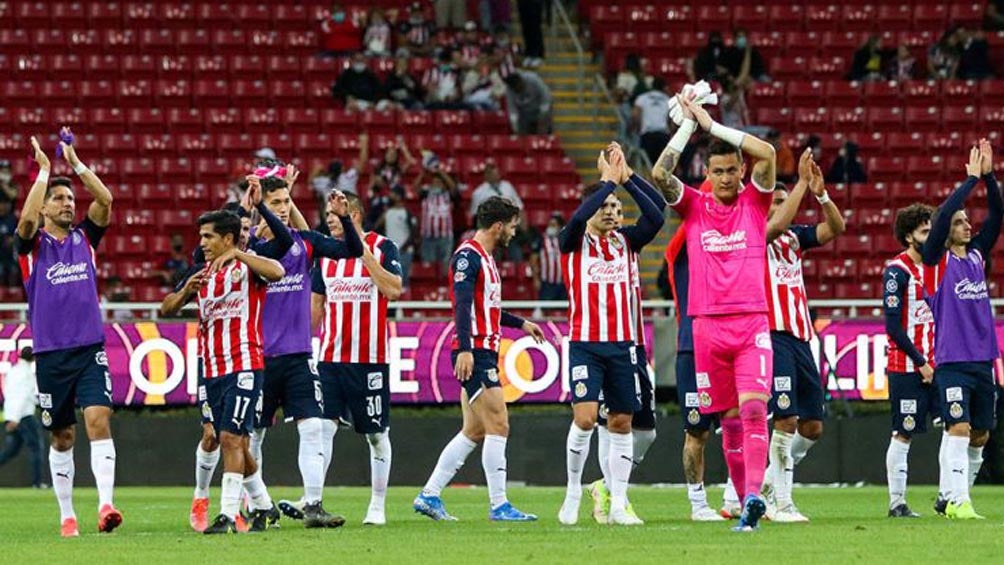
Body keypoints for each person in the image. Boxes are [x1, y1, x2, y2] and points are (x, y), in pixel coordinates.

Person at [650, 92, 778, 532]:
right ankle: (747, 507)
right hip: (705, 330)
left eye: (731, 170)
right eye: (717, 171)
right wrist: (687, 128)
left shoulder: (755, 203)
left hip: (750, 324)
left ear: (741, 171)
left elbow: (769, 153)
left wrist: (712, 125)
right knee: (728, 424)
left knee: (755, 411)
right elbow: (660, 173)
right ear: (707, 173)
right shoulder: (695, 207)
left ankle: (757, 494)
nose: (725, 178)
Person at [160, 177, 290, 535]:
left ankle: (227, 514)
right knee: (229, 439)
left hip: (244, 364)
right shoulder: (200, 274)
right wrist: (186, 289)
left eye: (208, 237)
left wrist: (239, 254)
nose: (201, 243)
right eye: (200, 237)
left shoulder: (247, 266)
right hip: (211, 369)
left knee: (232, 439)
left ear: (227, 239)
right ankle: (264, 507)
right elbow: (167, 308)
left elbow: (278, 271)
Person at [15, 131, 121, 537]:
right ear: (44, 206)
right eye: (59, 199)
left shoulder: (85, 239)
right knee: (63, 435)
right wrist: (44, 171)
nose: (68, 204)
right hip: (51, 354)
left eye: (70, 199)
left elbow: (106, 201)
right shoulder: (31, 248)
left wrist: (75, 164)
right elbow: (24, 221)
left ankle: (106, 504)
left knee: (98, 418)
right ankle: (67, 515)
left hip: (88, 349)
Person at [413, 196, 545, 521]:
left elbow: (488, 308)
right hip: (476, 352)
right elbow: (460, 305)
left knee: (474, 430)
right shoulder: (467, 257)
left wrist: (522, 324)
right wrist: (467, 348)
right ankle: (500, 505)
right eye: (512, 226)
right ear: (499, 225)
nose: (514, 232)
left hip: (481, 349)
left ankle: (429, 495)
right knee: (499, 423)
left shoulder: (485, 258)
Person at [246, 166, 364, 529]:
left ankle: (313, 505)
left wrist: (344, 219)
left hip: (298, 356)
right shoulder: (249, 248)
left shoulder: (306, 242)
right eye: (275, 202)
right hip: (259, 356)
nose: (283, 207)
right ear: (259, 204)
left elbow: (351, 250)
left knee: (313, 427)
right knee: (254, 434)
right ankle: (254, 505)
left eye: (286, 201)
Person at [557, 145, 664, 526]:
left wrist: (629, 178)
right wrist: (606, 182)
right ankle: (572, 492)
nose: (611, 212)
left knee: (621, 422)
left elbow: (657, 215)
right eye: (605, 206)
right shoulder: (572, 242)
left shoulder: (627, 242)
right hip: (586, 344)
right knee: (585, 419)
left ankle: (617, 503)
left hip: (623, 345)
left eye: (615, 207)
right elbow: (580, 215)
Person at [300, 193, 403, 526]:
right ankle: (313, 501)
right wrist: (303, 345)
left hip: (370, 359)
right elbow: (316, 307)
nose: (329, 219)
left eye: (335, 214)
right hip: (330, 358)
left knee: (376, 434)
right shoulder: (326, 256)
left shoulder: (384, 247)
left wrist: (365, 257)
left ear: (354, 214)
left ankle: (377, 504)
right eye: (327, 214)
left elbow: (394, 290)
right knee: (323, 429)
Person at [761, 154, 846, 523]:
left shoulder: (794, 239)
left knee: (811, 427)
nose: (784, 208)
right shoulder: (753, 234)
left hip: (800, 337)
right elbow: (771, 227)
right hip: (771, 334)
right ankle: (782, 503)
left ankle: (767, 481)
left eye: (785, 202)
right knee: (786, 418)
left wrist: (822, 195)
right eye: (776, 202)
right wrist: (797, 185)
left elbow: (835, 229)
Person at [921, 140, 1001, 520]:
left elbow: (998, 215)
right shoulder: (934, 263)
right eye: (959, 221)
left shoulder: (976, 256)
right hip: (951, 359)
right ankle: (958, 502)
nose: (967, 224)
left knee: (981, 434)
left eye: (968, 220)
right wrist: (970, 181)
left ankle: (951, 495)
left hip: (983, 360)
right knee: (959, 425)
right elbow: (943, 216)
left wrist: (990, 178)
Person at [883, 203, 940, 518]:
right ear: (908, 236)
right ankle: (897, 503)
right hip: (907, 367)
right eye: (924, 231)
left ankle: (951, 497)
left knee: (957, 425)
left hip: (939, 364)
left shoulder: (935, 266)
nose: (930, 236)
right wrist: (920, 362)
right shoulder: (897, 271)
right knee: (903, 431)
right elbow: (892, 326)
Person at [0, 347, 45, 488]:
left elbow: (9, 395)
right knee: (36, 448)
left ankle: (37, 483)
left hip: (12, 415)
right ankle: (37, 483)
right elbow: (23, 396)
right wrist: (16, 418)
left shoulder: (12, 371)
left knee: (10, 451)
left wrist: (10, 416)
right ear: (33, 358)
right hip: (24, 416)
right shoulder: (26, 374)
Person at [417, 159, 460, 275]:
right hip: (428, 238)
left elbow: (453, 187)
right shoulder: (426, 195)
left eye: (439, 182)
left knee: (446, 271)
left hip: (445, 238)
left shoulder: (448, 195)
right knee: (428, 271)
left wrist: (441, 172)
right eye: (434, 182)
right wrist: (423, 173)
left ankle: (445, 291)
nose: (436, 184)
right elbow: (415, 187)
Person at [312, 132, 368, 213]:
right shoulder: (348, 178)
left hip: (332, 216)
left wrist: (319, 169)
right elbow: (362, 162)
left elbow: (311, 180)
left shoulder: (323, 182)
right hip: (350, 214)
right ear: (342, 169)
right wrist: (364, 143)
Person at [376, 186, 418, 290]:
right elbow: (376, 227)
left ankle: (405, 304)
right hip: (391, 253)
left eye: (393, 194)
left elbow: (413, 232)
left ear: (399, 197)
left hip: (404, 251)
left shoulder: (406, 212)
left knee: (403, 281)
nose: (390, 196)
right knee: (391, 281)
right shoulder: (387, 212)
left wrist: (404, 247)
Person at [632, 77, 672, 166]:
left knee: (647, 164)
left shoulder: (642, 98)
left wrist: (637, 129)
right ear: (664, 87)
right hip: (663, 137)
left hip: (647, 136)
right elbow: (671, 120)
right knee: (661, 166)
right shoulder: (668, 100)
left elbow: (635, 116)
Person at [529, 213, 567, 303]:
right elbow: (533, 260)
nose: (550, 227)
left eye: (554, 225)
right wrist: (536, 278)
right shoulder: (541, 239)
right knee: (545, 310)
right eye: (550, 225)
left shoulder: (563, 240)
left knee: (563, 311)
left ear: (560, 227)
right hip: (547, 283)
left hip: (562, 283)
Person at [503, 69, 552, 134]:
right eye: (515, 90)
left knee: (543, 128)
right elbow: (512, 109)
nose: (518, 90)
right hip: (524, 114)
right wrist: (515, 125)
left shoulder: (533, 79)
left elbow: (546, 96)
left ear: (521, 81)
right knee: (522, 134)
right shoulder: (509, 90)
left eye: (519, 87)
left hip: (540, 108)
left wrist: (543, 114)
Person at [516, 0, 544, 67]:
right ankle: (529, 53)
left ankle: (537, 55)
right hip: (523, 3)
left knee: (534, 27)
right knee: (525, 27)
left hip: (535, 3)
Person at [0, 197, 19, 286]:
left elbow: (20, 234)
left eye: (6, 204)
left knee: (14, 271)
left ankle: (14, 293)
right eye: (2, 204)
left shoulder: (13, 218)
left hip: (11, 255)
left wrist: (13, 239)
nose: (4, 206)